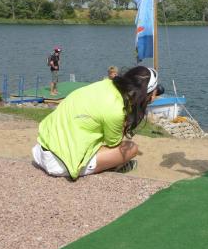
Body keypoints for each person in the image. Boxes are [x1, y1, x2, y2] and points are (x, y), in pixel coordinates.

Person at [32, 66, 164, 179]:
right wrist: (125, 123)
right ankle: (111, 168)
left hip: (41, 148)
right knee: (131, 148)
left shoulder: (106, 84)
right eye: (153, 93)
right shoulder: (116, 110)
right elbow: (113, 143)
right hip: (59, 163)